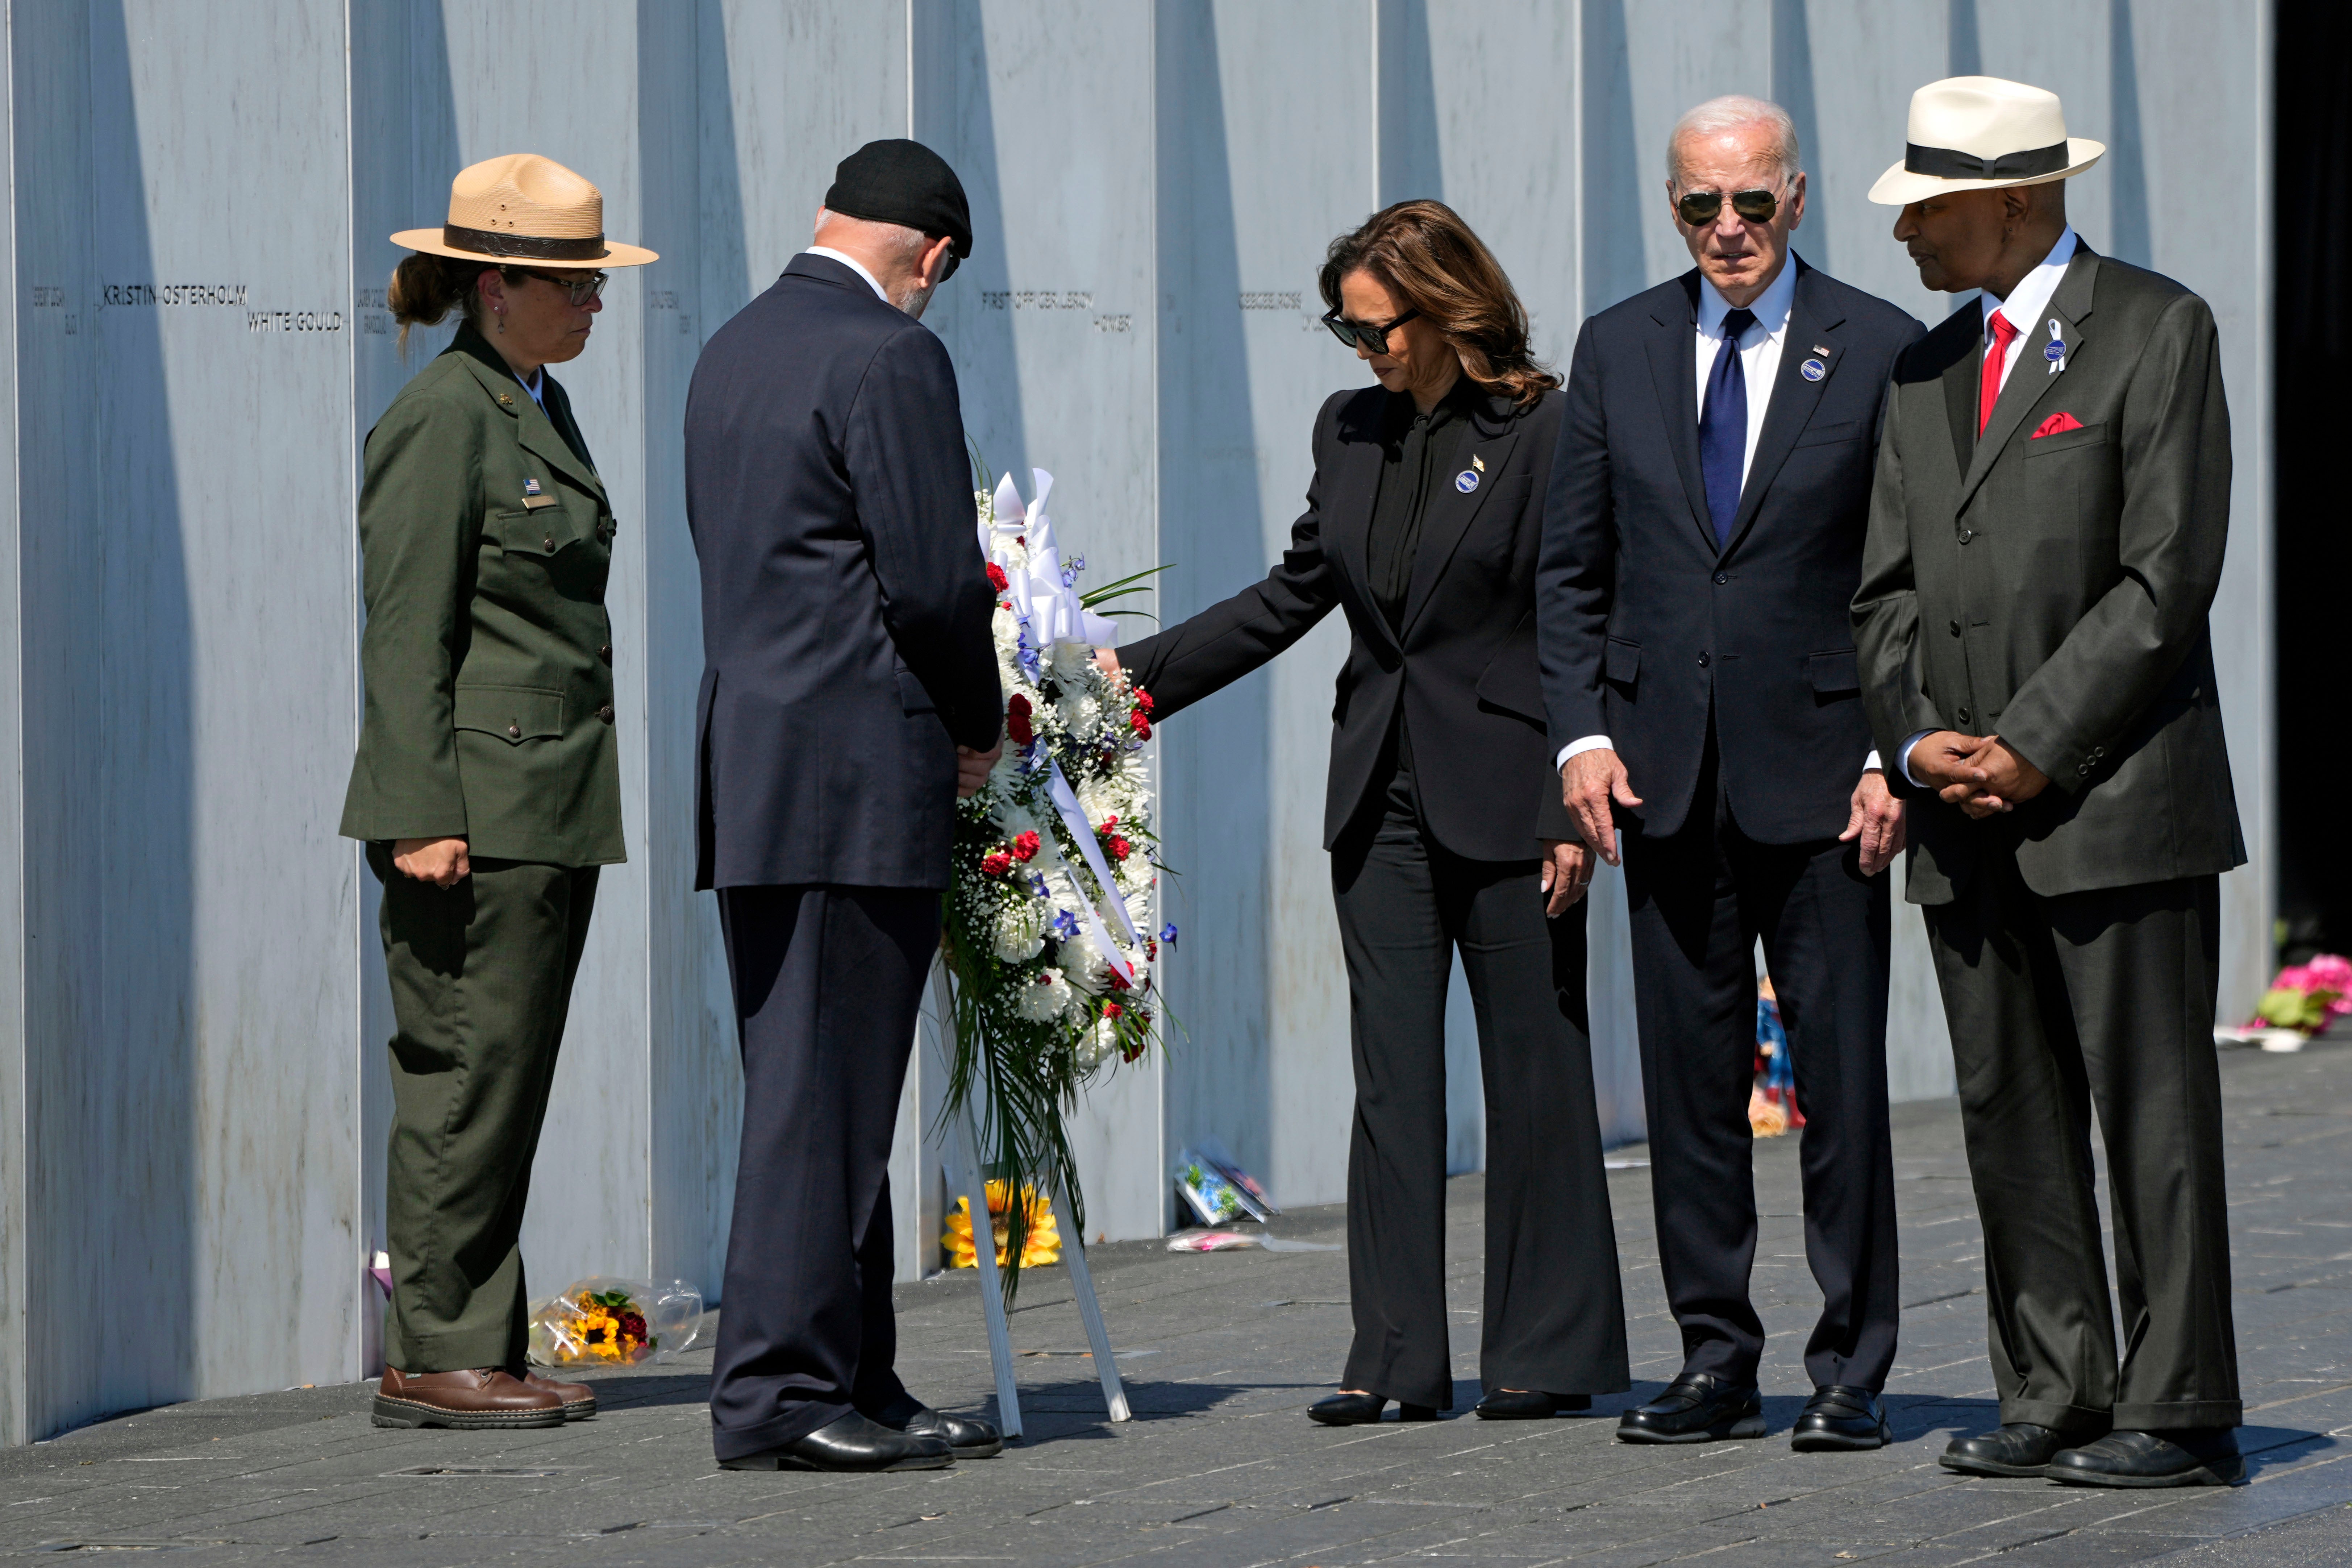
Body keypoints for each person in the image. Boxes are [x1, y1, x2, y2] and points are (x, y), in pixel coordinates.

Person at [1103, 200, 1629, 1425]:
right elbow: (1295, 593)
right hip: (1378, 795)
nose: (1365, 354)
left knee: (1535, 1075)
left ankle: (1542, 1354)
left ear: (1449, 312)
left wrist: (1573, 795)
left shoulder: (1545, 430)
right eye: (1346, 333)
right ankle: (1391, 1357)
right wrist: (1122, 683)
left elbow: (1581, 616)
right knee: (1391, 1080)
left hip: (1515, 797)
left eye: (1380, 330)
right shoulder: (1347, 429)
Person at [1854, 76, 2246, 1488]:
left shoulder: (2156, 329)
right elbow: (1883, 589)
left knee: (2150, 1107)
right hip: (1962, 817)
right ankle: (2058, 1381)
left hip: (2117, 800)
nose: (1903, 235)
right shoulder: (1921, 369)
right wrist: (1917, 741)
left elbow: (2165, 577)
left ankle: (2183, 1398)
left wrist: (2031, 737)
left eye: (1928, 209)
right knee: (2005, 1103)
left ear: (2014, 202)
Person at [1537, 96, 1924, 1450]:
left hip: (1829, 780)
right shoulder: (1619, 346)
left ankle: (1850, 1367)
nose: (1724, 232)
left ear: (1796, 198)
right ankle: (1712, 1355)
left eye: (1748, 203)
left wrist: (1897, 751)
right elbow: (1572, 569)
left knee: (1840, 1084)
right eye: (1697, 206)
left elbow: (1918, 576)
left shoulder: (1880, 349)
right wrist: (1580, 737)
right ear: (1671, 207)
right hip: (1659, 780)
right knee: (1689, 1084)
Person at [686, 140, 1006, 1473]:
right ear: (930, 255)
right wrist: (980, 723)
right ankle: (773, 1394)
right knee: (820, 1103)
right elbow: (932, 580)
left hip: (762, 775)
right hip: (857, 775)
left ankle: (855, 1374)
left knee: (828, 1090)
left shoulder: (735, 346)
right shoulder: (891, 355)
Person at [341, 154, 655, 1430]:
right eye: (572, 284)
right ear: (497, 285)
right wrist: (421, 811)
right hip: (471, 813)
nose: (594, 305)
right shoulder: (445, 417)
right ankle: (436, 1354)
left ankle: (477, 1334)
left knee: (505, 1076)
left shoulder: (526, 398)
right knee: (464, 1075)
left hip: (541, 804)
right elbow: (405, 634)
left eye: (594, 283)